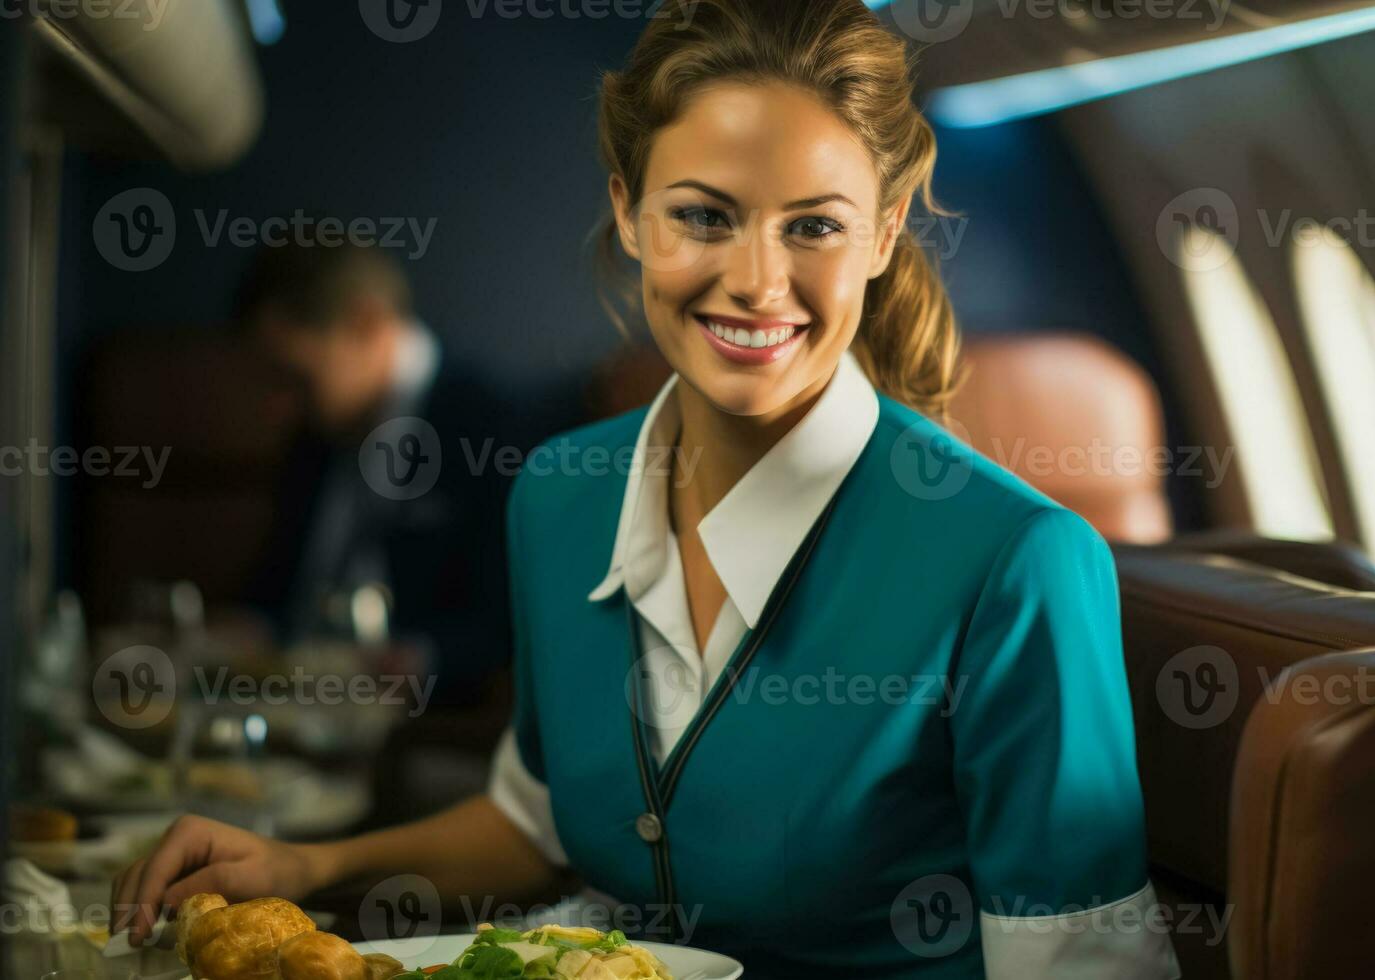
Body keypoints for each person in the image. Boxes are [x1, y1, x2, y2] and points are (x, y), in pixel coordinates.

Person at [114, 2, 1180, 975]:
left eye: (813, 223)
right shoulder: (558, 495)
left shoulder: (1016, 562)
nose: (758, 280)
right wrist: (304, 863)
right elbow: (540, 820)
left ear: (885, 230)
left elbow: (1090, 965)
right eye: (703, 216)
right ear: (629, 214)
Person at [238, 240, 512, 706]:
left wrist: (421, 660)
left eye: (294, 379)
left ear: (365, 323)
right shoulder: (317, 430)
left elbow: (510, 626)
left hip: (415, 727)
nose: (275, 410)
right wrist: (247, 626)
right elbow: (278, 585)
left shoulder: (489, 430)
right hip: (287, 707)